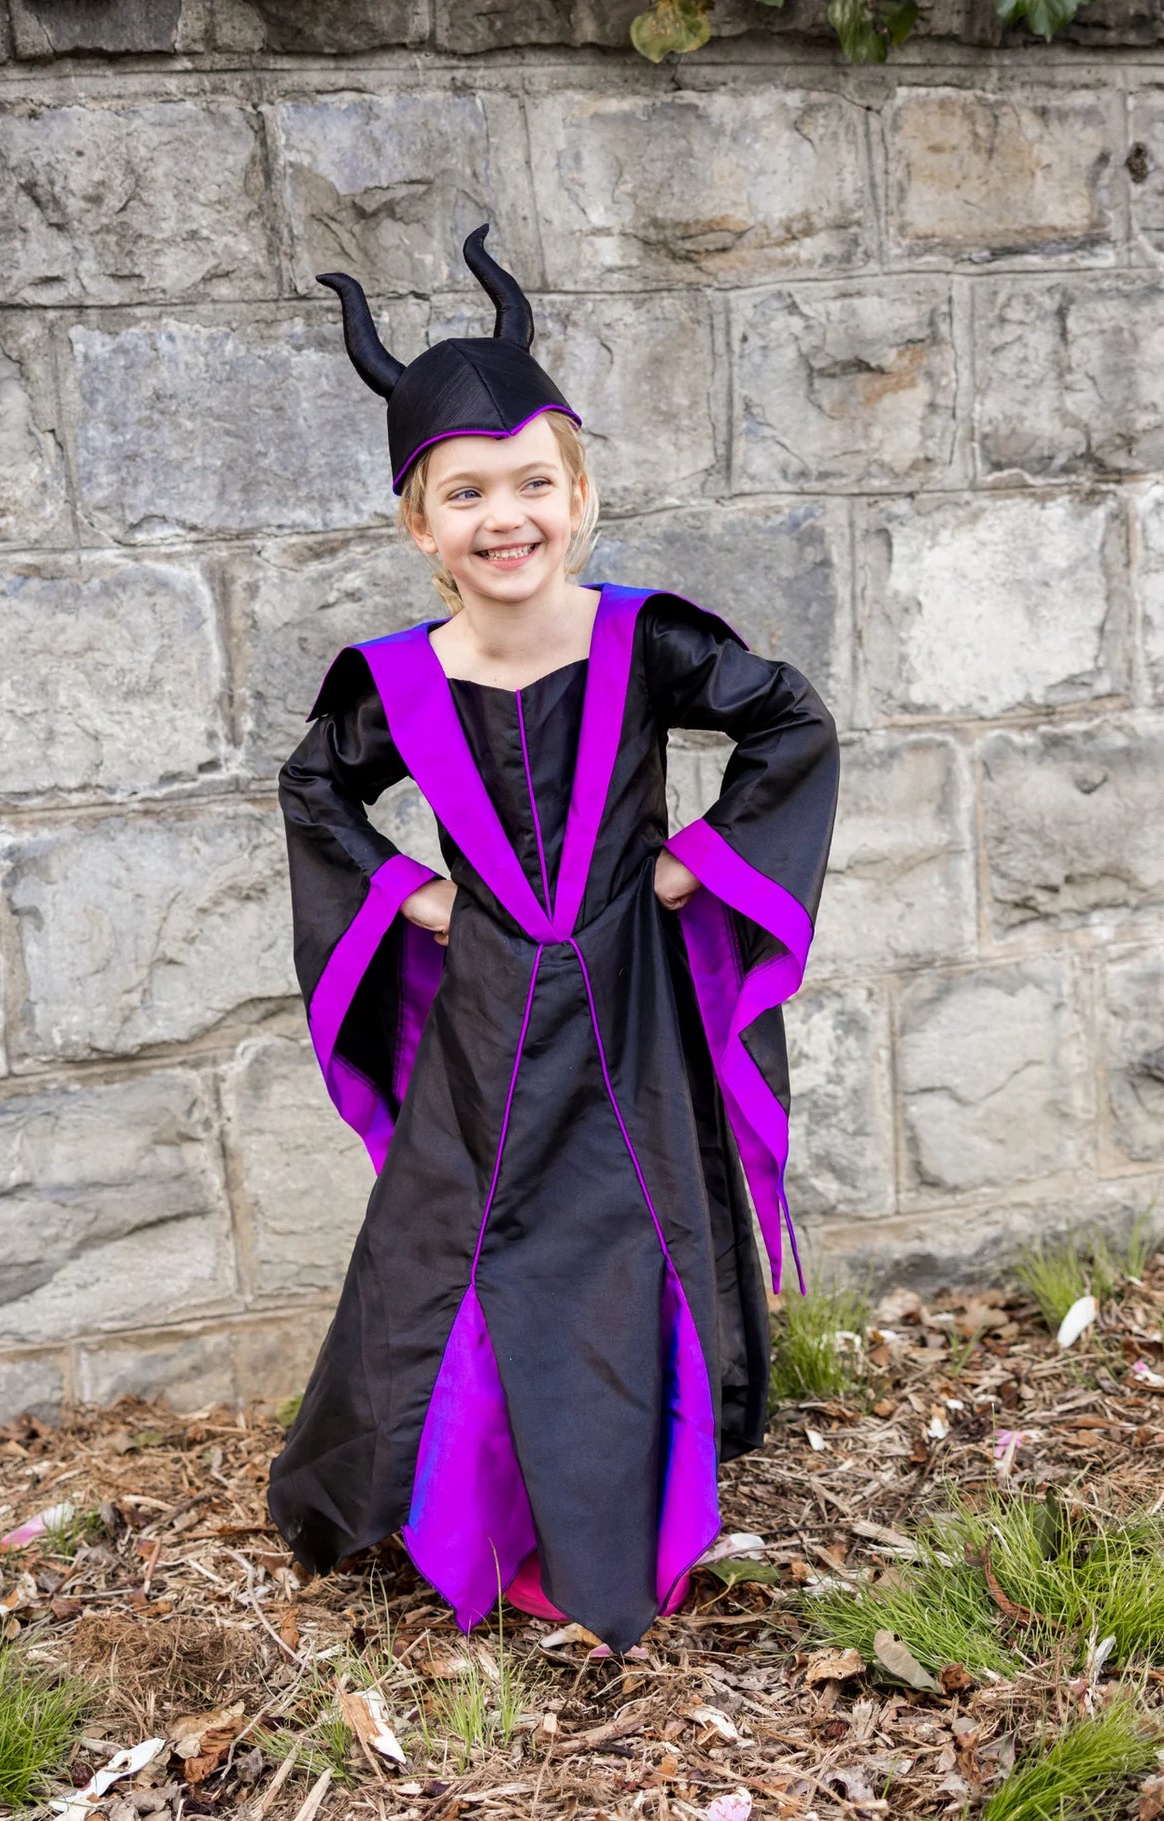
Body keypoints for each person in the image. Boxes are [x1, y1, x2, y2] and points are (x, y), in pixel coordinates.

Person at [266, 224, 840, 1659]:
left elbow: (788, 722)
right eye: (464, 493)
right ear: (421, 526)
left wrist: (700, 858)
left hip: (630, 1009)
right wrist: (410, 894)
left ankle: (612, 1518)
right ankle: (458, 1503)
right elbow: (314, 790)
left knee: (623, 1233)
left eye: (533, 483)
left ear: (579, 497)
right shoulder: (397, 682)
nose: (503, 516)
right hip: (485, 1017)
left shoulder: (646, 641)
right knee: (454, 1237)